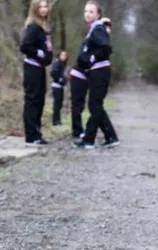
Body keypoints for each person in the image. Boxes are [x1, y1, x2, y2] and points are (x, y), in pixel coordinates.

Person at [73, 9, 119, 148]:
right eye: (86, 11)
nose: (87, 14)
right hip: (97, 71)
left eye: (91, 12)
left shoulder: (98, 28)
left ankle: (89, 139)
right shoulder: (93, 29)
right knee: (96, 105)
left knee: (95, 105)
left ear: (98, 15)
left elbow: (106, 47)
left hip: (100, 71)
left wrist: (92, 58)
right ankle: (111, 136)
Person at [20, 0, 53, 146]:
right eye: (41, 7)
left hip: (40, 69)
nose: (44, 9)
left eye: (46, 6)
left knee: (39, 100)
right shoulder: (33, 26)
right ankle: (31, 135)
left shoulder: (43, 27)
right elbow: (25, 46)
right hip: (32, 68)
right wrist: (39, 53)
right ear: (35, 9)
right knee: (32, 100)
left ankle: (37, 133)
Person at [50, 50, 68, 126]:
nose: (64, 57)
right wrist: (60, 79)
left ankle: (58, 121)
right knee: (57, 104)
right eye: (62, 55)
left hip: (60, 86)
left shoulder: (62, 64)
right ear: (59, 55)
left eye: (65, 55)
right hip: (56, 86)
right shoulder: (57, 63)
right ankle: (55, 121)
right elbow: (53, 72)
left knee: (59, 104)